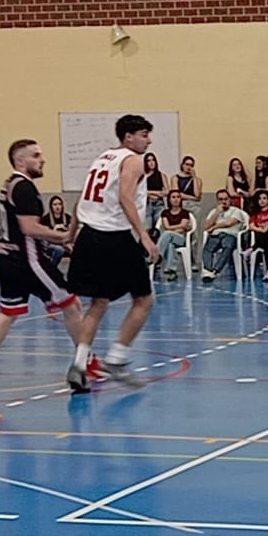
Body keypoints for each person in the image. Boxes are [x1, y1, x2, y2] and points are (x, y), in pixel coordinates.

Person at [0, 140, 90, 387]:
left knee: (8, 312)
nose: (42, 159)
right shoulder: (24, 187)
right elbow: (29, 228)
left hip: (8, 258)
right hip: (28, 259)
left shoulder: (9, 184)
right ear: (20, 161)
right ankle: (86, 361)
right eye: (36, 155)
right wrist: (63, 236)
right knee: (71, 303)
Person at [65, 114, 159, 392]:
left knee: (98, 302)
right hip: (114, 236)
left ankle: (79, 364)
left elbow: (82, 198)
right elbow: (125, 197)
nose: (149, 140)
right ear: (128, 137)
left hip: (88, 234)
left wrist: (71, 231)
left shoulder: (102, 158)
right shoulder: (133, 159)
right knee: (144, 299)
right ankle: (117, 358)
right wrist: (144, 236)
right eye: (144, 135)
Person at [200, 190, 247, 281]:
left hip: (230, 234)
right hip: (215, 235)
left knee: (227, 246)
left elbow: (229, 223)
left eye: (226, 199)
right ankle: (208, 271)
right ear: (217, 201)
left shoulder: (236, 211)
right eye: (220, 199)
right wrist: (217, 213)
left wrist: (214, 227)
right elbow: (206, 226)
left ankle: (215, 271)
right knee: (207, 249)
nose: (223, 202)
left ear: (230, 200)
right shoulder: (214, 211)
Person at [156, 189, 193, 280]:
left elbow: (182, 227)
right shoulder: (165, 213)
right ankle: (172, 271)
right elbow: (166, 226)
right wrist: (178, 228)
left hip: (180, 238)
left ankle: (157, 255)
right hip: (170, 238)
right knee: (170, 245)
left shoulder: (185, 213)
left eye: (178, 197)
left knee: (167, 234)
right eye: (173, 197)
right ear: (169, 199)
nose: (176, 199)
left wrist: (173, 229)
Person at [40, 195, 72, 267]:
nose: (57, 207)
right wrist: (54, 231)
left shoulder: (68, 217)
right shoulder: (45, 219)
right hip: (51, 244)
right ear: (51, 206)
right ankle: (51, 268)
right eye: (55, 204)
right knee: (59, 250)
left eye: (59, 204)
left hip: (65, 243)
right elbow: (45, 237)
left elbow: (71, 233)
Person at [143, 151, 167, 231]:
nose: (151, 163)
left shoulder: (161, 175)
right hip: (146, 204)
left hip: (159, 204)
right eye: (148, 161)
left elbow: (167, 191)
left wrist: (148, 192)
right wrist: (156, 192)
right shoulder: (143, 176)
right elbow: (140, 191)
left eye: (153, 160)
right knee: (147, 228)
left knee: (159, 227)